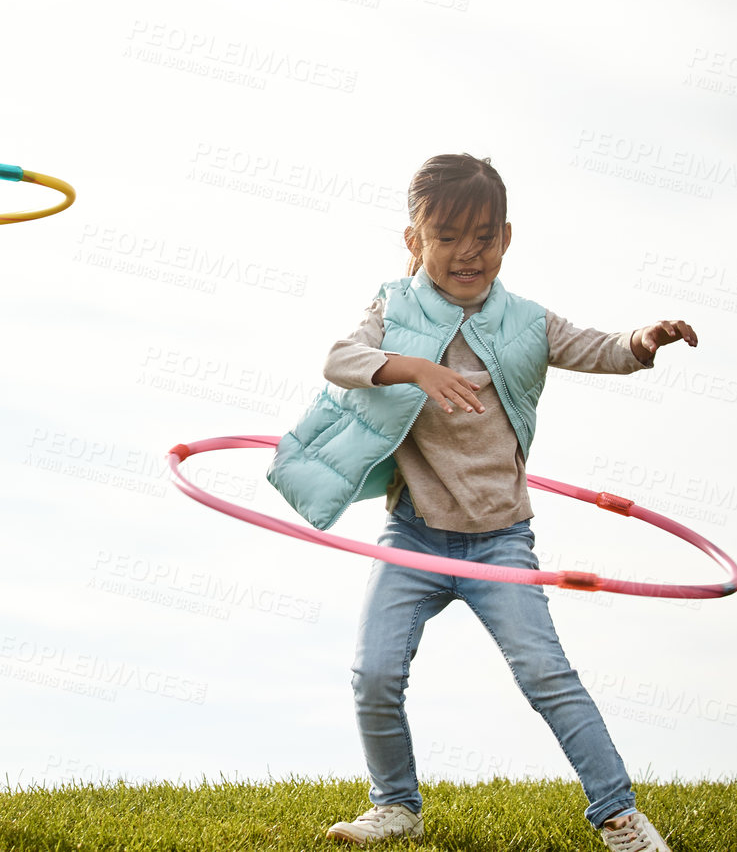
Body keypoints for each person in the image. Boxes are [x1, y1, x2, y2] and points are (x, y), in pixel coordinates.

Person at [269, 153, 696, 851]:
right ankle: (395, 805)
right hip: (413, 535)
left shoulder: (526, 321)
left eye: (483, 236)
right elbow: (339, 359)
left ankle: (619, 816)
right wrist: (415, 368)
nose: (468, 253)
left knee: (547, 676)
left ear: (506, 236)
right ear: (415, 242)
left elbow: (601, 348)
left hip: (500, 540)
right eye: (447, 237)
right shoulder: (392, 306)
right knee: (373, 672)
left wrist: (644, 341)